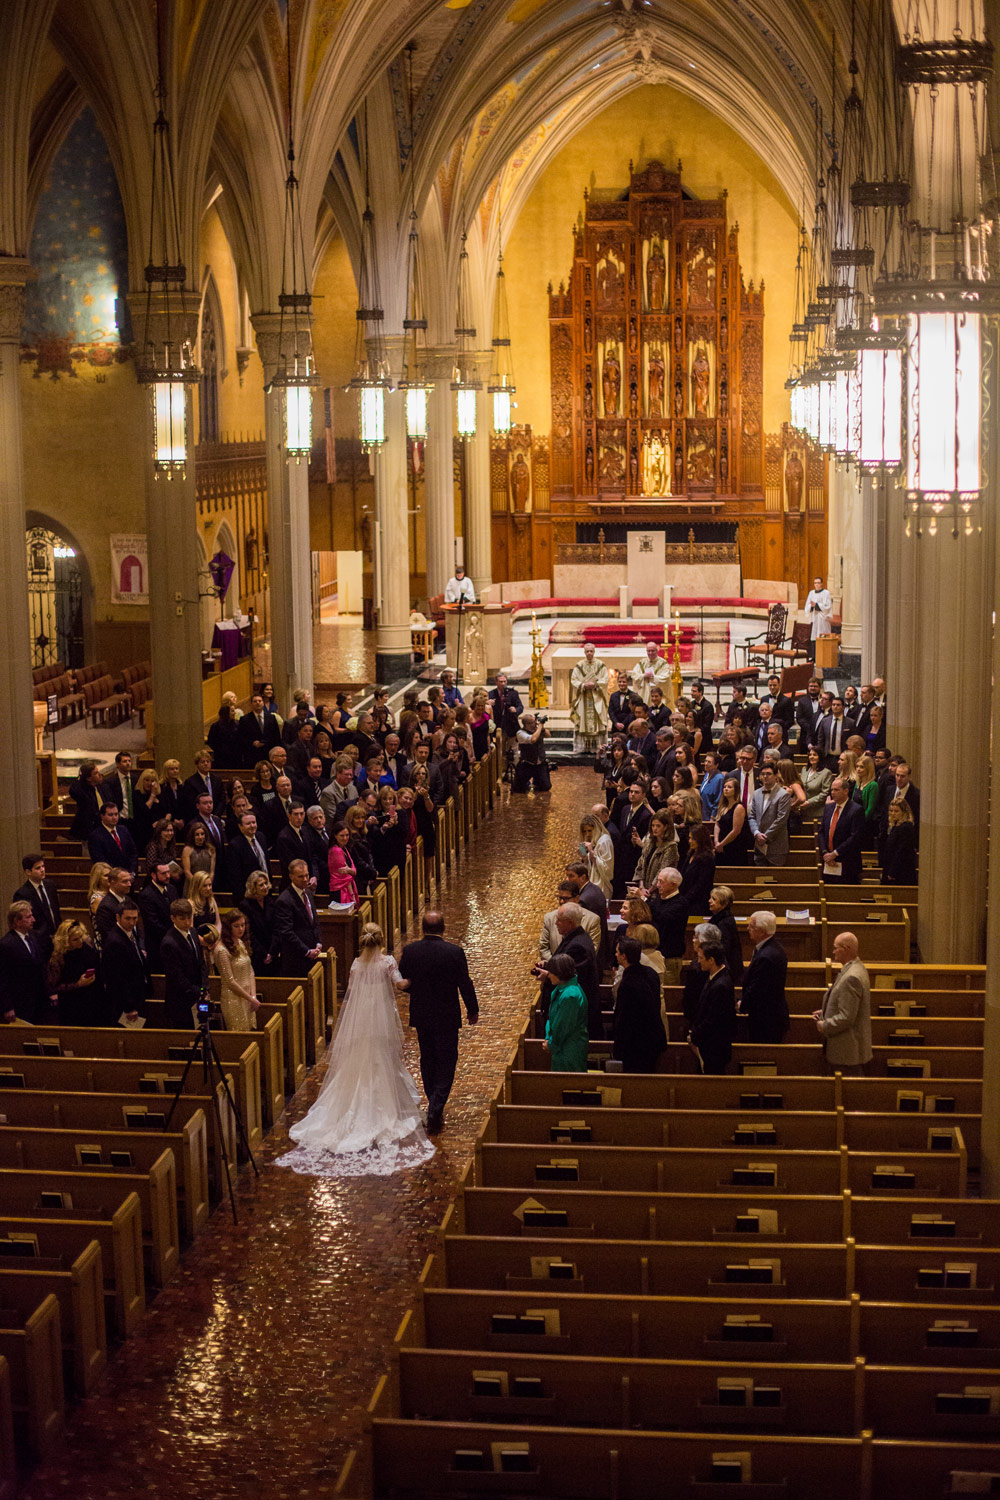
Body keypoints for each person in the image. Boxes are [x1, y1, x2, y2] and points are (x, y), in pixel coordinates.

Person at [279, 922, 435, 1174]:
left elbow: (351, 992)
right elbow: (400, 985)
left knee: (361, 1056)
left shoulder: (355, 964)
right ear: (381, 940)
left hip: (361, 1016)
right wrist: (418, 977)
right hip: (381, 1016)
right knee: (381, 1057)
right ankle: (382, 1104)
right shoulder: (387, 963)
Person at [398, 911, 479, 1134]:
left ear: (423, 928)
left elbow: (405, 981)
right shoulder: (454, 952)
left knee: (428, 1058)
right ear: (443, 928)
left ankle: (434, 1101)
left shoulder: (410, 951)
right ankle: (436, 1106)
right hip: (447, 1015)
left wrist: (418, 990)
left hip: (422, 1014)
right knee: (447, 1060)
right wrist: (473, 1009)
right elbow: (464, 982)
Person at [535, 903, 600, 1036]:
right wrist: (549, 965)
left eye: (559, 920)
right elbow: (564, 965)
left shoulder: (577, 946)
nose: (556, 923)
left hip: (572, 1011)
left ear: (570, 923)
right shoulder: (574, 938)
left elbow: (572, 976)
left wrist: (548, 975)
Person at [813, 931, 872, 1073]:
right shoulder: (856, 967)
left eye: (835, 947)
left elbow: (847, 1017)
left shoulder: (851, 977)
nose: (833, 952)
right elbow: (847, 1005)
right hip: (848, 1051)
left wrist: (824, 1025)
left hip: (846, 1052)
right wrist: (826, 1011)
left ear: (846, 949)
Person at [612, 936, 666, 1072]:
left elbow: (624, 1018)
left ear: (624, 956)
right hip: (654, 1037)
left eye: (617, 952)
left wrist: (618, 1047)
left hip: (635, 1043)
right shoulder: (651, 973)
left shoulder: (628, 982)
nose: (615, 954)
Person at [160, 897, 211, 1028]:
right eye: (182, 919)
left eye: (189, 917)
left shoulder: (193, 932)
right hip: (181, 1001)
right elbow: (177, 977)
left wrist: (204, 988)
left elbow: (201, 963)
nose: (187, 922)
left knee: (203, 1028)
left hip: (198, 995)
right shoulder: (169, 942)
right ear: (173, 918)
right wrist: (198, 991)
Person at [0, 901, 54, 1023]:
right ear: (16, 921)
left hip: (38, 1000)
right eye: (28, 917)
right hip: (20, 1002)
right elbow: (2, 979)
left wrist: (50, 992)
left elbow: (42, 968)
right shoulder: (6, 944)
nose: (33, 920)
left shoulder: (33, 937)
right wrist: (7, 1007)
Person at [740, 911, 789, 1042]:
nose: (748, 929)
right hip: (768, 1015)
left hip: (767, 1018)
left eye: (751, 926)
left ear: (761, 932)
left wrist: (743, 1004)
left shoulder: (766, 956)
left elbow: (758, 988)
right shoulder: (771, 947)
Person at [688, 941, 736, 1074]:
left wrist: (695, 1035)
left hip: (714, 1047)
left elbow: (713, 1018)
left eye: (701, 958)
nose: (698, 961)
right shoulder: (716, 978)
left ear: (711, 960)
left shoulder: (720, 985)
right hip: (710, 1044)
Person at [100, 901, 150, 1024]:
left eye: (135, 918)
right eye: (128, 918)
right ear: (118, 917)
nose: (132, 923)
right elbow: (117, 978)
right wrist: (129, 1007)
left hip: (136, 995)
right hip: (125, 1004)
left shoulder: (129, 933)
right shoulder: (115, 941)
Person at [47, 919, 103, 1026]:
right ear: (66, 941)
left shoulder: (87, 948)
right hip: (72, 1005)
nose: (80, 941)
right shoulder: (58, 958)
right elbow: (53, 986)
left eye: (81, 937)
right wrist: (78, 984)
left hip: (93, 999)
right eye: (75, 939)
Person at [213, 909, 260, 1030]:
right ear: (229, 927)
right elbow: (230, 981)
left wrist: (253, 996)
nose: (241, 929)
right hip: (233, 1000)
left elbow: (250, 971)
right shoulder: (221, 950)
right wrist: (250, 998)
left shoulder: (240, 942)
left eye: (243, 925)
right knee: (239, 1036)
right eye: (236, 926)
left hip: (248, 998)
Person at [273, 859, 322, 976]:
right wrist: (306, 951)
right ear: (291, 877)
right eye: (301, 876)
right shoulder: (284, 900)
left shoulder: (308, 892)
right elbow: (286, 932)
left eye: (307, 875)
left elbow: (314, 920)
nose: (305, 879)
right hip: (295, 958)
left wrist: (318, 942)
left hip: (313, 952)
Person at [543, 953, 590, 1072]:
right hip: (562, 1048)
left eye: (551, 972)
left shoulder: (570, 996)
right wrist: (549, 1037)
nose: (549, 976)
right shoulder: (562, 990)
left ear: (559, 973)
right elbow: (553, 1018)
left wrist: (551, 1044)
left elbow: (563, 1026)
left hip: (569, 1050)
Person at [14, 854, 61, 962]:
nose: (42, 870)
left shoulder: (50, 886)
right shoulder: (22, 893)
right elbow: (23, 921)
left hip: (56, 937)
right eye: (38, 868)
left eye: (43, 866)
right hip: (39, 940)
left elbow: (55, 911)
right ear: (28, 872)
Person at [818, 777, 865, 883]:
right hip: (828, 861)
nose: (832, 793)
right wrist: (825, 853)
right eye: (831, 790)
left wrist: (835, 854)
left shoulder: (856, 810)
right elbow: (821, 832)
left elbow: (855, 837)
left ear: (846, 791)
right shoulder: (828, 808)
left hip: (847, 862)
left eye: (836, 790)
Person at [647, 866, 689, 984]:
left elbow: (662, 918)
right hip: (655, 954)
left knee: (668, 993)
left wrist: (646, 900)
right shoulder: (658, 899)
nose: (658, 885)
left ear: (673, 885)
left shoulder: (680, 903)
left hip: (670, 957)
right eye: (658, 881)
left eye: (661, 882)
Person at [539, 884, 601, 961]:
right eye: (560, 898)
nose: (561, 901)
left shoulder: (592, 919)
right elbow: (544, 948)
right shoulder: (549, 918)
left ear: (577, 898)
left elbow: (592, 950)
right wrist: (555, 966)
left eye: (565, 898)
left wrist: (566, 967)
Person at [748, 763, 791, 867]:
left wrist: (766, 837)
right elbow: (751, 816)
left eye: (769, 774)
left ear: (776, 776)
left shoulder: (783, 794)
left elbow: (781, 819)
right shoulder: (756, 793)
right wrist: (757, 833)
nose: (765, 776)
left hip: (776, 846)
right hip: (759, 845)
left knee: (775, 879)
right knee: (760, 879)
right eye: (763, 774)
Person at [569, 643, 609, 753]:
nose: (589, 653)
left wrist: (596, 685)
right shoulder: (579, 665)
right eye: (587, 651)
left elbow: (605, 679)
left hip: (597, 698)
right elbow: (574, 680)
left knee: (598, 721)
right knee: (582, 720)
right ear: (584, 652)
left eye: (591, 651)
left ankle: (598, 748)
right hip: (583, 697)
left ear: (594, 651)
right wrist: (583, 685)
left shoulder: (601, 665)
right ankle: (583, 748)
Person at [136, 862, 177, 965]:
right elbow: (153, 923)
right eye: (163, 873)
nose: (168, 876)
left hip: (173, 939)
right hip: (157, 943)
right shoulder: (146, 895)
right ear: (153, 875)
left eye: (168, 872)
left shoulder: (172, 889)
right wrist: (174, 934)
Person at [634, 810, 679, 897]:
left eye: (658, 826)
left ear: (665, 827)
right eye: (653, 825)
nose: (654, 828)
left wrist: (649, 890)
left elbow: (662, 871)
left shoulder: (671, 847)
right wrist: (641, 887)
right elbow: (641, 865)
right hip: (644, 890)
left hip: (659, 892)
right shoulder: (649, 843)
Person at [239, 871, 277, 972]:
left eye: (266, 883)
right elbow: (249, 933)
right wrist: (264, 954)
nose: (265, 887)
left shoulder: (270, 901)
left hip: (272, 952)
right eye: (261, 885)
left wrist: (272, 952)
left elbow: (276, 928)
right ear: (253, 888)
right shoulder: (245, 906)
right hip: (256, 953)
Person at [88, 803, 139, 873]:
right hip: (110, 876)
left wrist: (132, 872)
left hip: (128, 875)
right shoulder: (96, 836)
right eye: (110, 815)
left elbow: (133, 852)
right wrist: (117, 874)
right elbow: (100, 860)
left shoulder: (123, 830)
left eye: (116, 814)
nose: (114, 817)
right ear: (102, 816)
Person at [707, 886, 743, 983]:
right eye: (710, 898)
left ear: (724, 904)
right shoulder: (720, 918)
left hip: (726, 969)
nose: (709, 901)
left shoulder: (724, 922)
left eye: (714, 899)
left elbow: (724, 948)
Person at [679, 823, 716, 915]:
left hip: (698, 902)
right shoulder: (691, 854)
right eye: (689, 838)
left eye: (693, 839)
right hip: (687, 899)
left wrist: (686, 899)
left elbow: (701, 883)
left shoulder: (707, 858)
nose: (690, 841)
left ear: (701, 839)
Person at [714, 775, 751, 865]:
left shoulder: (739, 807)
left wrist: (722, 844)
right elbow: (717, 824)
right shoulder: (723, 806)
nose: (726, 789)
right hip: (720, 845)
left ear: (736, 790)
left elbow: (736, 831)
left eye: (729, 787)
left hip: (734, 846)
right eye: (724, 787)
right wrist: (716, 841)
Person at [93, 866, 134, 946]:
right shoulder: (105, 907)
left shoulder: (128, 899)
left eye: (130, 880)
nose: (129, 884)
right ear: (112, 882)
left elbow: (136, 929)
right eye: (125, 881)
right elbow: (109, 936)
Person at [512, 712, 551, 794]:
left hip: (539, 764)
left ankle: (537, 781)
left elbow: (548, 735)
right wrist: (540, 726)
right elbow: (533, 739)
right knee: (518, 789)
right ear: (527, 724)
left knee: (545, 787)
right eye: (533, 722)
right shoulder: (520, 733)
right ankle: (526, 782)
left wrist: (542, 727)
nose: (536, 723)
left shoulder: (538, 729)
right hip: (527, 764)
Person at [882, 799, 918, 884]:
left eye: (896, 811)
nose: (893, 814)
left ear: (904, 812)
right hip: (892, 868)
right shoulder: (896, 826)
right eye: (891, 811)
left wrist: (892, 872)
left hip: (900, 872)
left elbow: (902, 852)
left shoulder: (905, 827)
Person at [69, 760, 106, 839]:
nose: (99, 774)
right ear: (88, 778)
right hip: (88, 830)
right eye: (96, 773)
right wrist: (81, 778)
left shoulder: (102, 787)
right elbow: (73, 790)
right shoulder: (83, 791)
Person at [800, 745, 833, 821]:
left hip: (817, 813)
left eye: (815, 755)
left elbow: (825, 793)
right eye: (810, 755)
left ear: (820, 757)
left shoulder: (826, 773)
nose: (811, 757)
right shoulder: (804, 770)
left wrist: (809, 802)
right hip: (803, 811)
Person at [804, 575, 833, 655]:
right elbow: (807, 606)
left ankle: (823, 656)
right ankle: (814, 657)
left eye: (818, 583)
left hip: (822, 618)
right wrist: (811, 606)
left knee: (822, 636)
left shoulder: (826, 593)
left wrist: (816, 605)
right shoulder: (811, 593)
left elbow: (828, 606)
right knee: (814, 636)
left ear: (821, 584)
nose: (816, 585)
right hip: (814, 617)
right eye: (815, 583)